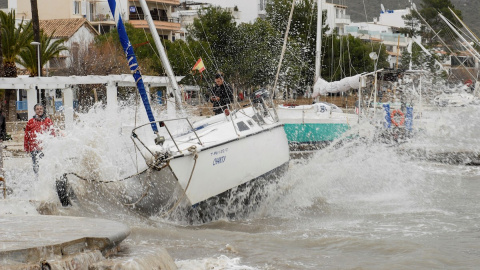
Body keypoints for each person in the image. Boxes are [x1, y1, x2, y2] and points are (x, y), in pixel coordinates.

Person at [24, 104, 54, 175]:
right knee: (35, 165)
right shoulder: (30, 121)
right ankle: (37, 180)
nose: (39, 110)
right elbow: (26, 135)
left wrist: (53, 144)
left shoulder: (48, 120)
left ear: (43, 110)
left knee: (44, 164)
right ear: (35, 111)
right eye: (37, 109)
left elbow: (52, 133)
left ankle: (45, 177)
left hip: (44, 147)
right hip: (33, 147)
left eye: (41, 108)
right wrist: (26, 147)